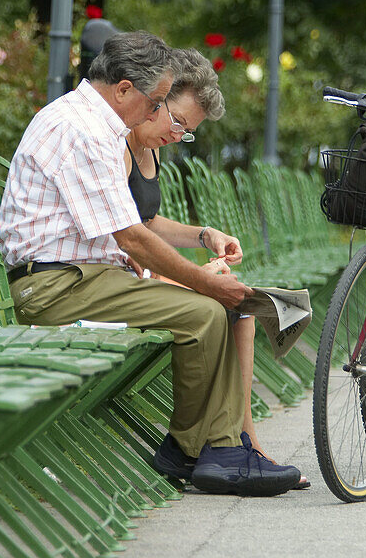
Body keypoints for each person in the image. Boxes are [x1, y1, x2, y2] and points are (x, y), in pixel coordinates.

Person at [0, 31, 301, 496]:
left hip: (79, 278)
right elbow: (133, 236)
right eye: (156, 103)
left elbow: (131, 231)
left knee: (211, 307)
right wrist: (202, 281)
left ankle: (197, 448)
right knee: (203, 310)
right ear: (123, 89)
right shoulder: (83, 130)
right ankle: (214, 450)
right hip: (55, 288)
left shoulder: (94, 124)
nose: (157, 116)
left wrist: (200, 266)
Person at [122, 48, 310, 489]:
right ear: (159, 96)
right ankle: (223, 445)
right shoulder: (119, 147)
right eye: (178, 121)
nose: (178, 133)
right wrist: (192, 276)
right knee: (229, 301)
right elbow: (127, 241)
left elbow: (148, 223)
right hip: (121, 281)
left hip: (136, 277)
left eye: (188, 131)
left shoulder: (149, 147)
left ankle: (243, 439)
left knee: (238, 302)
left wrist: (205, 235)